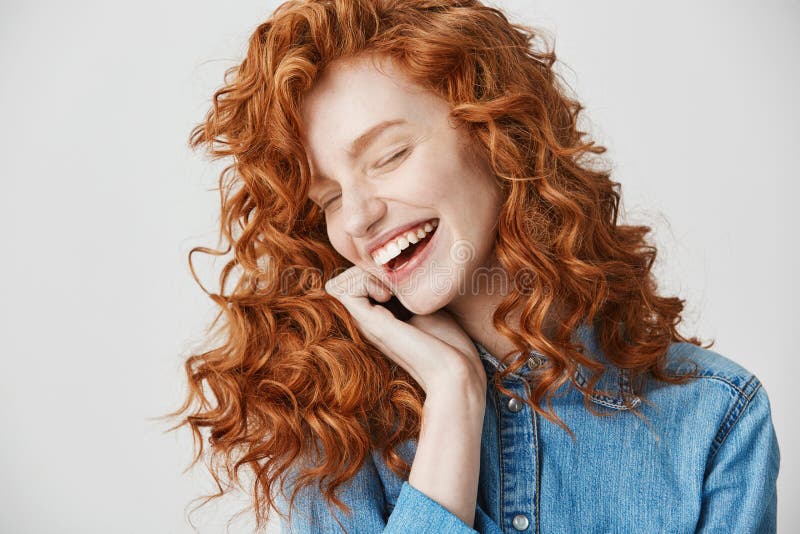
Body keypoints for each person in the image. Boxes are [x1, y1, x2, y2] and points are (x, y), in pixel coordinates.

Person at [167, 1, 780, 532]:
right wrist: (454, 399)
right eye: (328, 199)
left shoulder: (714, 420)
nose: (356, 217)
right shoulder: (335, 432)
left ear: (496, 131)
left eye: (390, 154)